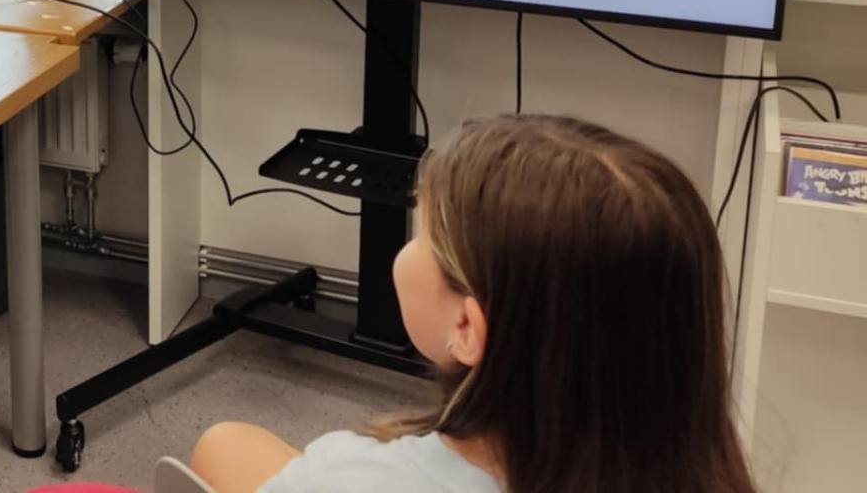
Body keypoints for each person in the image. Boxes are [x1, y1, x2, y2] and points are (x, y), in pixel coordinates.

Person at [189, 115, 758, 493]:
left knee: (223, 445)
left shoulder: (350, 476)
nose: (406, 248)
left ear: (466, 326)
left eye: (420, 234)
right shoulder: (704, 470)